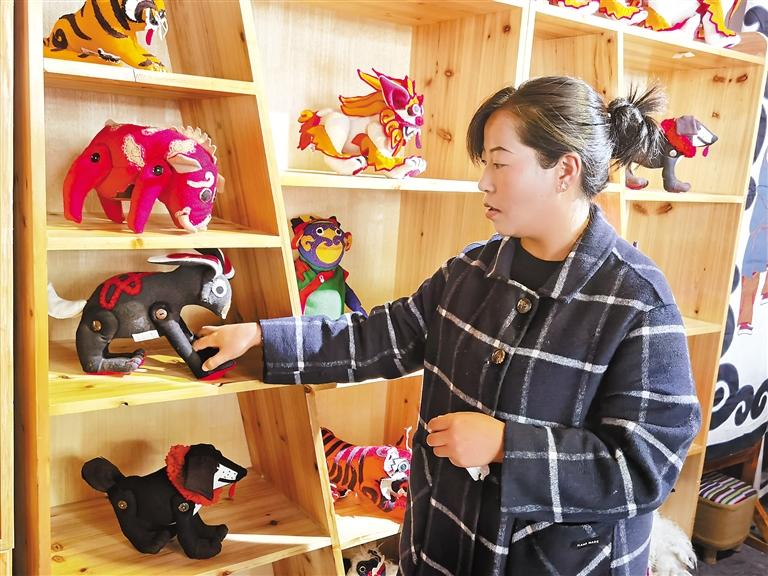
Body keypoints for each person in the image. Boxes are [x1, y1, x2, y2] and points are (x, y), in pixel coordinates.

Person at [193, 76, 701, 576]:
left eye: (500, 162)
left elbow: (648, 466)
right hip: (441, 544)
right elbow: (380, 337)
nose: (484, 182)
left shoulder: (637, 299)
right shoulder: (471, 270)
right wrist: (260, 336)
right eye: (485, 164)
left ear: (564, 170)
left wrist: (507, 446)